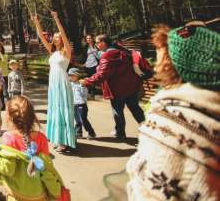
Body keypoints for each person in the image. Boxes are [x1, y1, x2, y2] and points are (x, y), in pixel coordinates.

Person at [126, 22, 220, 200]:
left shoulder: (170, 118)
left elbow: (149, 189)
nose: (155, 66)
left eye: (161, 55)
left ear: (175, 63)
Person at [0, 96, 69, 201]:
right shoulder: (41, 138)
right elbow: (46, 168)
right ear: (32, 116)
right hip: (39, 195)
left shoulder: (9, 137)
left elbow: (8, 169)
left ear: (10, 117)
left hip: (17, 195)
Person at [81, 34, 145, 140]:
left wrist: (87, 81)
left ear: (103, 43)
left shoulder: (108, 55)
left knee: (117, 111)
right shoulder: (122, 51)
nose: (96, 45)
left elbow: (102, 74)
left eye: (97, 42)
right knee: (135, 109)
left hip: (117, 89)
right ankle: (150, 130)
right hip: (131, 86)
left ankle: (120, 133)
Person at [33, 11, 76, 153]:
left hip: (62, 83)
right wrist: (37, 23)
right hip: (53, 84)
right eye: (55, 36)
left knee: (63, 110)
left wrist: (56, 18)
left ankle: (65, 141)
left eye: (58, 37)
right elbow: (41, 36)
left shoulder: (66, 51)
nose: (56, 38)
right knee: (55, 110)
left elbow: (63, 33)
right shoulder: (52, 52)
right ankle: (58, 138)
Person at [68, 68, 96, 139]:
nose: (70, 77)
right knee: (77, 120)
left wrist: (83, 86)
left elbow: (85, 95)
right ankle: (79, 133)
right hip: (73, 104)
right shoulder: (70, 84)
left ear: (77, 75)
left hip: (81, 105)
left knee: (83, 119)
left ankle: (91, 133)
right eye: (69, 75)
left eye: (72, 75)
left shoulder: (82, 84)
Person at [83, 35, 100, 99]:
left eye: (90, 38)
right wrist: (84, 62)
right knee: (88, 79)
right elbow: (84, 56)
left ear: (92, 39)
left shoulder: (96, 46)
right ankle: (88, 94)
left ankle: (92, 94)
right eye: (87, 38)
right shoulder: (85, 47)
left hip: (94, 65)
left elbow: (99, 55)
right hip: (87, 65)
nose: (88, 39)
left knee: (93, 80)